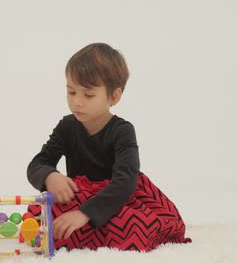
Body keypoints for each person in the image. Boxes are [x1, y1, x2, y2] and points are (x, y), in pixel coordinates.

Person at [27, 43, 191, 251]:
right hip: (79, 195)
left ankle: (92, 235)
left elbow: (125, 182)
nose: (77, 102)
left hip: (118, 198)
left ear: (114, 96)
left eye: (88, 95)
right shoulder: (66, 126)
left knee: (134, 229)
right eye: (71, 92)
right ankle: (84, 235)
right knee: (39, 218)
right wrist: (50, 175)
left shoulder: (122, 131)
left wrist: (84, 213)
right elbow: (38, 163)